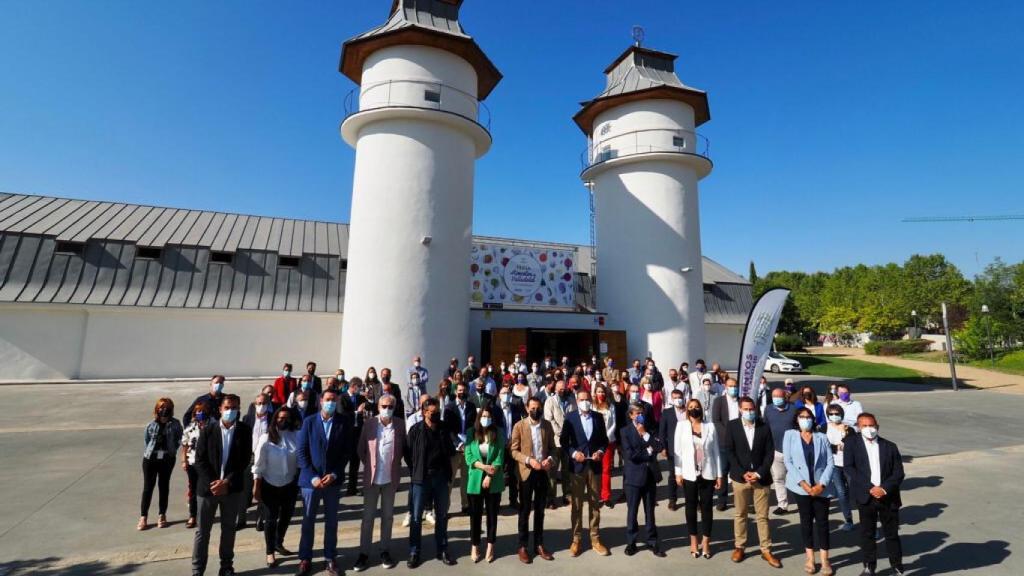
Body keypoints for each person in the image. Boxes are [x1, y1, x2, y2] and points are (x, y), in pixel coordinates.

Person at [191, 394, 252, 576]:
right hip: (207, 490)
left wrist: (227, 482)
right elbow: (199, 459)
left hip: (231, 490)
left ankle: (226, 566)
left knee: (228, 529)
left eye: (234, 408)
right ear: (220, 409)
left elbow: (244, 460)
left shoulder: (244, 430)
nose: (231, 411)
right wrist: (214, 482)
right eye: (227, 408)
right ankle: (197, 570)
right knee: (203, 532)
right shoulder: (208, 430)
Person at [295, 389, 351, 576]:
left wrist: (334, 474)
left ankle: (330, 558)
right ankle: (305, 558)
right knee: (308, 521)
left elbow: (345, 453)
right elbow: (302, 453)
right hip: (311, 482)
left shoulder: (343, 423)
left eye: (333, 400)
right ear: (321, 401)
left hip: (332, 483)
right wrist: (313, 477)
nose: (331, 403)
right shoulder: (309, 422)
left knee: (332, 522)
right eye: (328, 400)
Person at [723, 396, 782, 568]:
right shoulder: (733, 426)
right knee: (740, 514)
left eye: (752, 409)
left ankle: (766, 550)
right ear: (740, 409)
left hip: (761, 479)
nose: (749, 412)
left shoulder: (764, 426)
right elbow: (729, 451)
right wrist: (742, 473)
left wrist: (758, 473)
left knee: (762, 516)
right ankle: (740, 546)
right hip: (740, 479)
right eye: (746, 409)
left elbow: (769, 453)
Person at [844, 413, 905, 576]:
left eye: (872, 426)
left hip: (888, 497)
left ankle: (897, 566)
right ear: (858, 427)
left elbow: (898, 473)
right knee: (867, 534)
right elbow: (849, 468)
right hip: (866, 497)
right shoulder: (852, 444)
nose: (869, 429)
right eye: (864, 426)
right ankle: (869, 566)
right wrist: (870, 488)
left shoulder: (890, 446)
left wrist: (884, 489)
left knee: (891, 534)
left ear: (877, 427)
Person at [354, 395, 405, 572]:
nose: (387, 408)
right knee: (367, 518)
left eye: (390, 406)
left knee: (388, 517)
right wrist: (370, 466)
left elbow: (402, 449)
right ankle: (364, 553)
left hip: (390, 480)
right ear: (378, 406)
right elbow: (361, 450)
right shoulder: (369, 424)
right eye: (384, 405)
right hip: (372, 480)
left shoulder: (399, 424)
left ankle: (384, 550)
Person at [406, 397, 457, 568]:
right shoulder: (415, 430)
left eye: (437, 412)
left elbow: (451, 450)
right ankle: (414, 551)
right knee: (416, 516)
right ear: (424, 412)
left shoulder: (443, 429)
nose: (435, 415)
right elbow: (408, 454)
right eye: (432, 413)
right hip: (421, 478)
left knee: (441, 515)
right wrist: (417, 470)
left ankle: (442, 549)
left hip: (441, 477)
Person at [784, 407, 835, 575]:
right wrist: (804, 484)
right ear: (797, 419)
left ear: (813, 419)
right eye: (802, 417)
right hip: (801, 488)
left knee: (822, 523)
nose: (805, 419)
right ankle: (810, 558)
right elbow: (788, 461)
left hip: (821, 488)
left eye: (808, 417)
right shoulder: (790, 435)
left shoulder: (821, 437)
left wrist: (822, 484)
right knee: (806, 522)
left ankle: (825, 559)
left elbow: (830, 462)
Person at [560, 389, 610, 556]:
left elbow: (604, 440)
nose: (585, 401)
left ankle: (595, 538)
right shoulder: (570, 418)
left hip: (594, 467)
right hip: (577, 468)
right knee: (577, 505)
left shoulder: (598, 417)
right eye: (582, 399)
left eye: (587, 399)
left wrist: (601, 452)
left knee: (595, 503)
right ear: (577, 399)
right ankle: (576, 539)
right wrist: (574, 454)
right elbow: (564, 442)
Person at [673, 398, 723, 558]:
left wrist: (719, 474)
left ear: (701, 409)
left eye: (697, 407)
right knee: (691, 508)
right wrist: (678, 472)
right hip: (689, 474)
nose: (694, 409)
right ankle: (693, 541)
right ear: (687, 410)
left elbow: (716, 452)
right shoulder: (681, 426)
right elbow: (678, 452)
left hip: (708, 473)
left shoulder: (710, 427)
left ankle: (706, 542)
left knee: (707, 508)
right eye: (691, 407)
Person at [509, 396, 556, 564]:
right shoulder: (519, 426)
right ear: (527, 409)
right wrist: (529, 461)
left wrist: (549, 460)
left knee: (540, 510)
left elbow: (552, 448)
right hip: (526, 473)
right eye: (533, 408)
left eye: (538, 407)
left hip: (542, 472)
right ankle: (522, 546)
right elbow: (513, 451)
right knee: (525, 510)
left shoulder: (547, 426)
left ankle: (539, 544)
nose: (536, 410)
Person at [253, 406, 300, 568]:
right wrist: (256, 486)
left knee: (286, 516)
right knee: (271, 520)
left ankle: (279, 542)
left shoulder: (296, 436)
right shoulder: (266, 438)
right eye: (280, 418)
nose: (283, 421)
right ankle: (269, 551)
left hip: (289, 484)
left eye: (286, 418)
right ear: (275, 419)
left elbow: (300, 461)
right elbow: (258, 465)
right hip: (269, 484)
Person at [620, 403, 666, 557]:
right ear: (631, 415)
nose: (640, 415)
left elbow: (659, 447)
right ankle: (631, 542)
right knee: (632, 511)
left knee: (650, 511)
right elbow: (631, 455)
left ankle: (652, 541)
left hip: (650, 476)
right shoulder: (625, 431)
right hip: (633, 477)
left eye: (642, 413)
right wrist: (648, 452)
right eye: (637, 413)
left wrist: (645, 435)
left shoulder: (650, 429)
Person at [465, 406, 505, 563]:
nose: (486, 419)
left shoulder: (498, 433)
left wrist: (489, 474)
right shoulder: (471, 433)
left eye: (488, 416)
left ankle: (490, 545)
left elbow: (500, 457)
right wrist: (483, 467)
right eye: (483, 416)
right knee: (475, 515)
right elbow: (468, 456)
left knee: (492, 515)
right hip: (475, 479)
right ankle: (475, 545)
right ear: (479, 417)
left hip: (493, 480)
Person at [140, 398, 183, 531]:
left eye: (167, 407)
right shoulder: (151, 425)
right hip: (150, 459)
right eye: (161, 407)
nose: (164, 410)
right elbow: (147, 441)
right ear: (156, 409)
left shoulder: (175, 424)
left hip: (167, 458)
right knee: (148, 487)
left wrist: (172, 452)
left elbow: (179, 439)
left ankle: (162, 515)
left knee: (164, 486)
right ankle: (143, 517)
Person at [239, 392, 273, 531]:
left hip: (266, 458)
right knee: (244, 490)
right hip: (249, 457)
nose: (261, 406)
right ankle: (240, 519)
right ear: (254, 404)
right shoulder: (247, 418)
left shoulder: (273, 419)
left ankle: (261, 520)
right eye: (259, 403)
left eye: (264, 403)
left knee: (263, 490)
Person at [444, 382, 476, 515]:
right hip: (454, 448)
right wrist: (458, 444)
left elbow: (473, 427)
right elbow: (448, 429)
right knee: (450, 480)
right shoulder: (449, 408)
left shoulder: (471, 406)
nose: (462, 392)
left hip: (468, 447)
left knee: (466, 479)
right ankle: (444, 509)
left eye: (464, 390)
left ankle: (466, 505)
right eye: (460, 390)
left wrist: (469, 444)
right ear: (456, 391)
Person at [543, 379, 575, 508]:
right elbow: (548, 419)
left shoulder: (571, 400)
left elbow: (574, 417)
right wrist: (560, 432)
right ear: (555, 389)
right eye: (560, 388)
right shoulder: (550, 401)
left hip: (568, 442)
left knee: (567, 470)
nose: (562, 390)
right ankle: (550, 498)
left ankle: (567, 494)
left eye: (564, 388)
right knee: (552, 471)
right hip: (555, 441)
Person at [711, 377, 741, 511]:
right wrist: (728, 435)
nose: (733, 388)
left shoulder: (741, 401)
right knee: (723, 472)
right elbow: (716, 421)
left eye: (735, 386)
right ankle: (722, 500)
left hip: (740, 443)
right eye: (730, 386)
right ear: (725, 387)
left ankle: (740, 500)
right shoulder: (719, 401)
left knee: (739, 471)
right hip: (724, 443)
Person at [764, 387, 794, 515]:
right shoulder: (768, 409)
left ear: (785, 396)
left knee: (797, 478)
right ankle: (782, 504)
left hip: (793, 451)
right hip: (776, 450)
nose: (776, 399)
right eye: (774, 396)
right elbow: (765, 426)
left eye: (779, 396)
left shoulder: (794, 409)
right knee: (778, 478)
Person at [825, 404, 856, 531]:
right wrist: (836, 447)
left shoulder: (849, 429)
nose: (834, 416)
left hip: (849, 465)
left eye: (836, 413)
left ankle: (869, 522)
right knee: (841, 493)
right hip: (834, 465)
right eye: (831, 414)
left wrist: (844, 433)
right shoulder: (823, 428)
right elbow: (824, 445)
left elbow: (854, 444)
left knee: (855, 493)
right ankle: (848, 520)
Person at [493, 385, 524, 509]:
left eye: (508, 393)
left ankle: (513, 499)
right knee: (498, 474)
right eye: (503, 393)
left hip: (513, 446)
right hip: (499, 446)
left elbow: (518, 425)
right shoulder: (494, 409)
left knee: (513, 475)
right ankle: (497, 501)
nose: (506, 395)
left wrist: (514, 441)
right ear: (499, 396)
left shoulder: (515, 408)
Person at [181, 401, 210, 529]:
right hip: (193, 462)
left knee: (205, 489)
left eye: (203, 411)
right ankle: (192, 515)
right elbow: (185, 445)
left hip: (208, 464)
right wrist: (184, 460)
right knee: (193, 489)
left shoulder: (213, 426)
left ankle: (204, 514)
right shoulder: (190, 428)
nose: (201, 413)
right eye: (198, 411)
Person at [658, 388, 686, 510]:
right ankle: (672, 499)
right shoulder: (667, 412)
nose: (678, 400)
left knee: (689, 475)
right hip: (672, 449)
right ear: (671, 400)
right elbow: (662, 432)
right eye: (675, 398)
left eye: (679, 397)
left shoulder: (688, 411)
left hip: (687, 448)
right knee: (673, 475)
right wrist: (663, 447)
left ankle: (692, 499)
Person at [341, 378, 369, 497]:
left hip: (358, 432)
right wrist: (357, 412)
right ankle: (336, 485)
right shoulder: (342, 397)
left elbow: (370, 405)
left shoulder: (360, 398)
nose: (360, 389)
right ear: (353, 386)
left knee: (355, 462)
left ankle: (352, 488)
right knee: (342, 461)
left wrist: (369, 399)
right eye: (359, 387)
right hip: (346, 434)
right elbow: (342, 413)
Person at [592, 384, 618, 507]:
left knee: (606, 469)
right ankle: (596, 496)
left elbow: (613, 423)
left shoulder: (610, 406)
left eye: (602, 392)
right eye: (598, 392)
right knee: (595, 470)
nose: (600, 394)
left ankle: (606, 496)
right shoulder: (592, 406)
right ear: (595, 393)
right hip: (594, 443)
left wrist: (606, 437)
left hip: (608, 441)